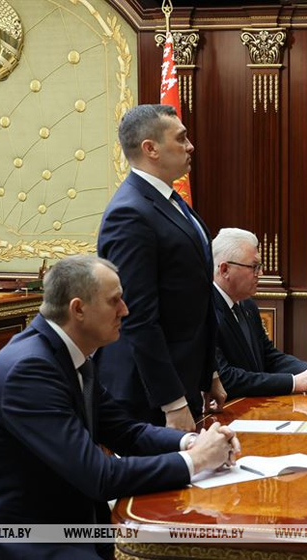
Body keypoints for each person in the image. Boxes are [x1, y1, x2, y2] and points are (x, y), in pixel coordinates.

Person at [0, 255, 241, 560]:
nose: (125, 310)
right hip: (11, 537)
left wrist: (191, 442)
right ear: (78, 309)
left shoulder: (70, 355)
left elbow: (126, 432)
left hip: (63, 520)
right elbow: (99, 476)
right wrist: (196, 460)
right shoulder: (30, 370)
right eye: (114, 301)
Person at [97, 104, 225, 431]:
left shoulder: (171, 200)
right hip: (149, 395)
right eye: (181, 138)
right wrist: (172, 401)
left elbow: (195, 296)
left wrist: (209, 373)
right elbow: (137, 315)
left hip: (183, 378)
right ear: (150, 148)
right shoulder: (129, 213)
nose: (190, 146)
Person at [211, 228, 307, 398]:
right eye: (254, 267)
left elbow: (269, 357)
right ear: (224, 270)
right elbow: (225, 378)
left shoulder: (247, 305)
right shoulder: (205, 311)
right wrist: (293, 382)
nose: (261, 273)